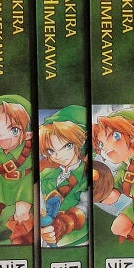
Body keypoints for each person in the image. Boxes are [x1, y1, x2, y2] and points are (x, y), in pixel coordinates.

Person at [0, 94, 34, 245]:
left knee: (21, 214)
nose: (0, 135)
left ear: (27, 132)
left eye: (13, 129)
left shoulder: (29, 147)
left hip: (24, 184)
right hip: (2, 182)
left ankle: (22, 239)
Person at [92, 106, 134, 243]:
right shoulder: (124, 169)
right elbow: (114, 188)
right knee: (118, 228)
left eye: (115, 136)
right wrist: (102, 191)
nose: (106, 148)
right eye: (101, 145)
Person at [39, 105, 88, 247]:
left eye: (67, 146)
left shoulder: (86, 175)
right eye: (51, 150)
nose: (58, 155)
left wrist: (64, 224)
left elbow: (86, 206)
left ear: (80, 142)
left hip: (76, 239)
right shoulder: (46, 174)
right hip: (46, 237)